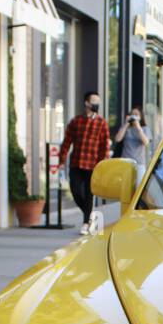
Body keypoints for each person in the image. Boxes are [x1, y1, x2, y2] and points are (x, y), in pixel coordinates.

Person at [59, 92, 110, 234]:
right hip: (76, 162)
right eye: (94, 101)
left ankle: (86, 222)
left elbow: (104, 146)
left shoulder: (102, 123)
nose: (96, 105)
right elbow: (66, 142)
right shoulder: (76, 121)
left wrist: (102, 166)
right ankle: (89, 215)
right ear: (87, 103)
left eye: (98, 102)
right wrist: (61, 161)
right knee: (75, 191)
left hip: (93, 165)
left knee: (89, 194)